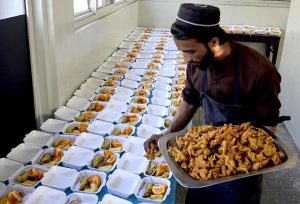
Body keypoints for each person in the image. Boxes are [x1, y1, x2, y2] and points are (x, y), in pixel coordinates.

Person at [144, 3, 288, 204]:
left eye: (191, 51)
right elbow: (189, 100)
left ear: (213, 42)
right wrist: (166, 136)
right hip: (205, 161)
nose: (186, 59)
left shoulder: (259, 71)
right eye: (182, 52)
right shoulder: (196, 65)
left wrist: (246, 161)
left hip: (240, 170)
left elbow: (268, 124)